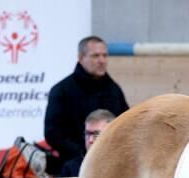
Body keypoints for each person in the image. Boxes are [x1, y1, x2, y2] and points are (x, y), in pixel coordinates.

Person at [44, 37, 130, 168]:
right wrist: (82, 154)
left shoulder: (114, 90)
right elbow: (52, 133)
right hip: (74, 167)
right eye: (95, 56)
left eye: (104, 55)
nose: (102, 61)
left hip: (111, 165)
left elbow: (125, 125)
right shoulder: (62, 91)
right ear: (80, 58)